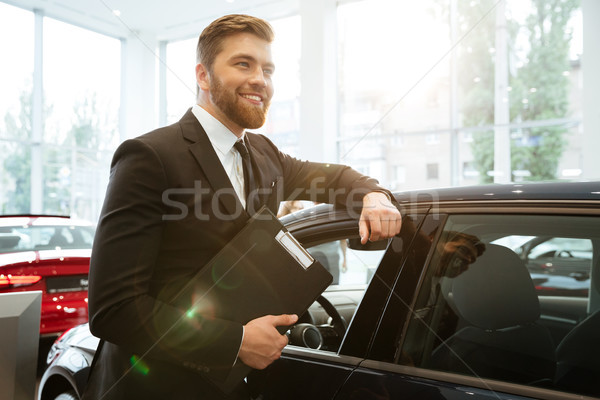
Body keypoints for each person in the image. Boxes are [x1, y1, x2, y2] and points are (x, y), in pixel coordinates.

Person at [82, 14, 401, 400]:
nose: (260, 80)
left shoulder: (265, 154)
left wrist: (375, 196)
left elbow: (336, 178)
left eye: (267, 69)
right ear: (203, 76)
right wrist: (234, 341)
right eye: (243, 64)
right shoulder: (150, 156)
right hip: (152, 387)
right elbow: (113, 309)